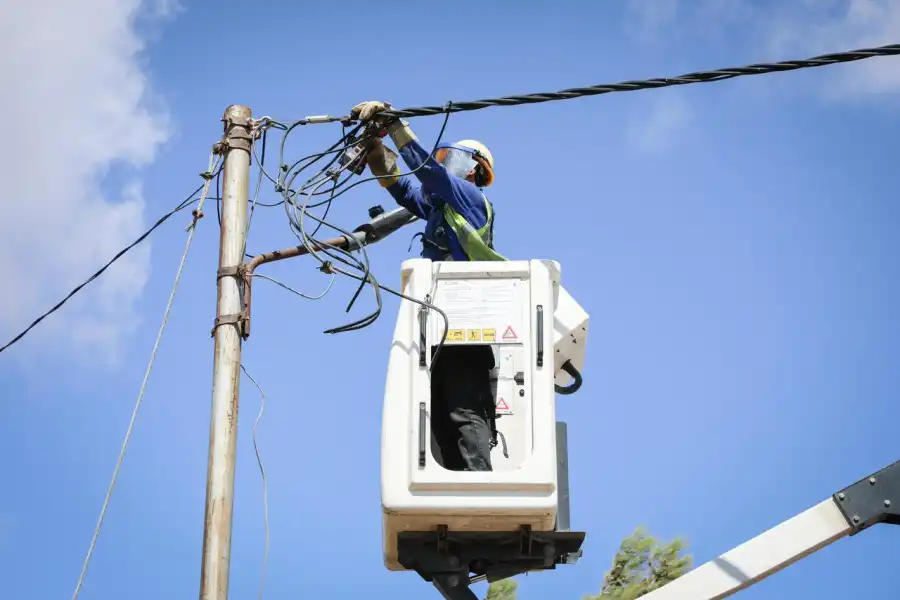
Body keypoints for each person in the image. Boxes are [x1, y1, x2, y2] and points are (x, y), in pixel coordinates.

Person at [351, 100, 503, 472]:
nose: (443, 160)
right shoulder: (442, 206)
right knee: (437, 410)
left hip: (468, 324)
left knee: (464, 408)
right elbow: (404, 191)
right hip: (440, 324)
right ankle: (451, 484)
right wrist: (376, 152)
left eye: (450, 156)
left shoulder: (471, 198)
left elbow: (429, 174)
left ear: (471, 169)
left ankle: (479, 486)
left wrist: (396, 126)